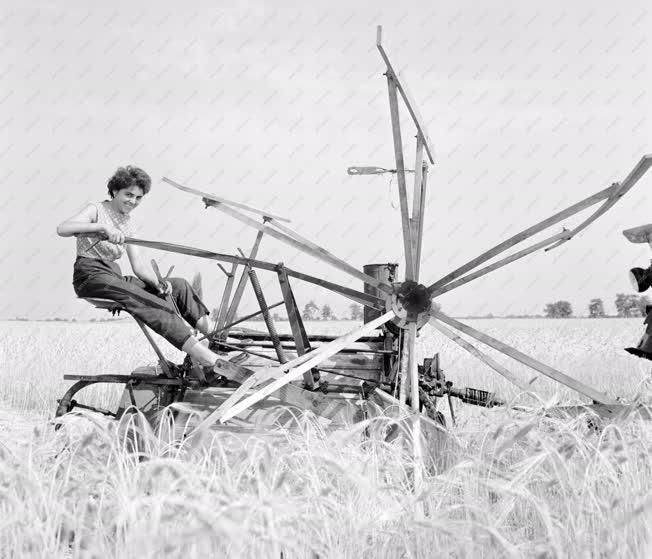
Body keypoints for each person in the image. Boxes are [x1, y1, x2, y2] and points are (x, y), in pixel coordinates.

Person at [56, 165, 223, 371]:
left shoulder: (128, 224)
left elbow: (139, 266)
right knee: (141, 298)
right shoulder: (96, 209)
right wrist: (101, 227)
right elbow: (63, 228)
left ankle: (216, 338)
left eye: (138, 197)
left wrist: (158, 284)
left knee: (177, 285)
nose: (132, 201)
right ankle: (205, 355)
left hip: (113, 276)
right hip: (90, 276)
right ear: (115, 191)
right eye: (128, 194)